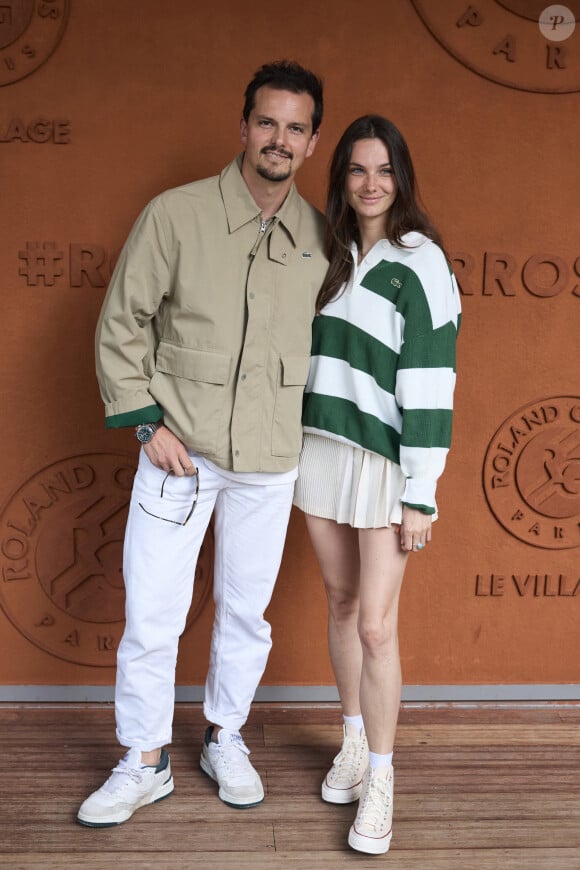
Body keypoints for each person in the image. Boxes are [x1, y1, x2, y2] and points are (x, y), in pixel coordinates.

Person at [77, 60, 327, 828]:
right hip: (179, 456)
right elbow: (121, 326)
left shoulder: (323, 236)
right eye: (266, 122)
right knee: (155, 611)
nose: (278, 139)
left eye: (295, 127)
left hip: (270, 460)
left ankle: (226, 736)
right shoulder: (174, 215)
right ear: (243, 127)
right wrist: (147, 425)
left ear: (312, 142)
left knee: (247, 612)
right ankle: (144, 759)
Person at [293, 115, 461, 855]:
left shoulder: (420, 260)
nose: (370, 184)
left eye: (384, 170)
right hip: (319, 451)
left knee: (376, 625)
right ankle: (353, 742)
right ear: (341, 180)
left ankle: (384, 780)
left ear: (402, 177)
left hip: (386, 462)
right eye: (357, 170)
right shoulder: (324, 252)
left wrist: (421, 491)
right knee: (339, 601)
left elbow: (430, 380)